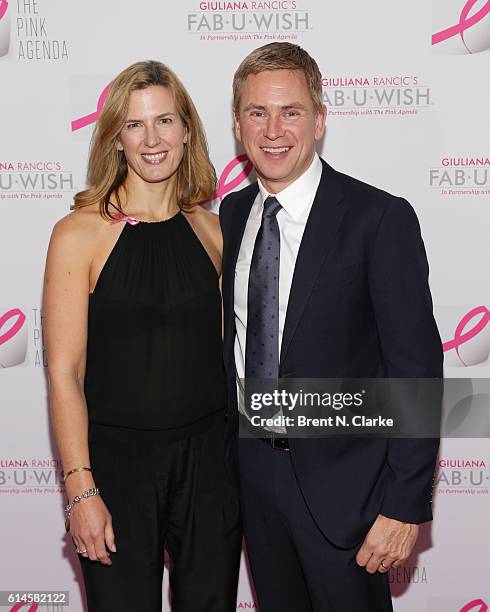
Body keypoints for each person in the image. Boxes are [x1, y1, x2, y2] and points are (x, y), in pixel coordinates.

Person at [219, 43, 443, 612]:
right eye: (256, 113)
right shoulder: (232, 215)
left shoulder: (377, 218)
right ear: (238, 123)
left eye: (290, 111)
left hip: (348, 494)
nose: (273, 130)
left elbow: (416, 368)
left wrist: (404, 504)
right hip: (254, 480)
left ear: (319, 120)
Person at [44, 60, 241, 612]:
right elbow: (64, 373)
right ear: (116, 139)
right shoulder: (79, 234)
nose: (152, 139)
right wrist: (81, 489)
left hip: (209, 467)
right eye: (135, 125)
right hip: (116, 466)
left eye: (165, 121)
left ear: (187, 131)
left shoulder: (213, 229)